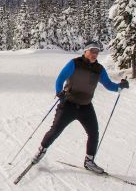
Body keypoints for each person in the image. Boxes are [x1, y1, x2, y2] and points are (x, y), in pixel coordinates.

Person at [32, 41, 130, 173]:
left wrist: (120, 86)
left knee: (94, 133)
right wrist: (59, 91)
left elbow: (108, 84)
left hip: (86, 106)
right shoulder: (74, 63)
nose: (95, 54)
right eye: (92, 51)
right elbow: (60, 79)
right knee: (55, 131)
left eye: (97, 51)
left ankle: (89, 161)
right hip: (68, 104)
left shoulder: (99, 69)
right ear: (85, 51)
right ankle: (41, 151)